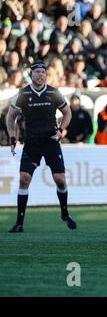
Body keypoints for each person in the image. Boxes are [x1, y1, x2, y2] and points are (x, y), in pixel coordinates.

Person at [5, 62, 76, 232]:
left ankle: (65, 213)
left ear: (46, 75)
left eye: (43, 72)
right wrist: (13, 137)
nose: (41, 75)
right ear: (31, 74)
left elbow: (68, 113)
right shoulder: (23, 94)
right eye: (37, 72)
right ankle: (19, 223)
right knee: (24, 179)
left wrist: (61, 130)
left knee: (60, 180)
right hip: (32, 143)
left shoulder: (54, 92)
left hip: (51, 142)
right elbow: (10, 116)